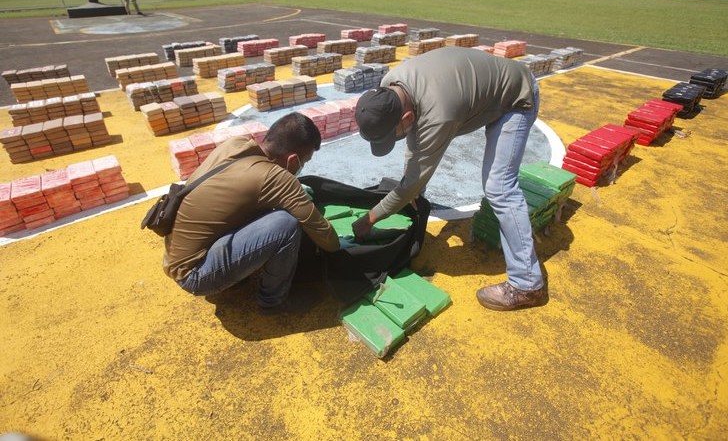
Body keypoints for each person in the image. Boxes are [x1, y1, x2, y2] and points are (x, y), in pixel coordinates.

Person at [353, 47, 547, 311]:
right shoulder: (391, 84)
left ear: (406, 116)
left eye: (392, 135)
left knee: (500, 188)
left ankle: (527, 285)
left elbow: (415, 172)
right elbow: (415, 147)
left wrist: (370, 219)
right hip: (479, 88)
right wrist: (413, 188)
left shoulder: (439, 113)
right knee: (417, 172)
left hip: (515, 97)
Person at [163, 112, 341, 314]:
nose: (302, 167)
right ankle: (274, 302)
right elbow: (326, 238)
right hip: (194, 274)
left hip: (176, 255)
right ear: (292, 160)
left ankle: (234, 274)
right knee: (286, 223)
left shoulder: (235, 145)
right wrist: (341, 244)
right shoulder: (276, 178)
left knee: (267, 209)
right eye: (304, 162)